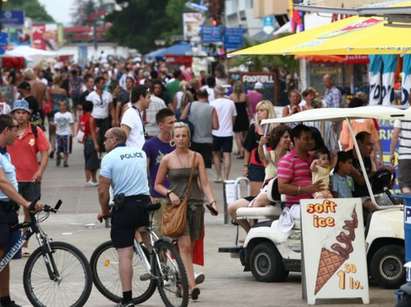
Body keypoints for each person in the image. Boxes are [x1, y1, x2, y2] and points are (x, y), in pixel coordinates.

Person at [154, 122, 218, 300]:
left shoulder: (197, 157)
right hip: (177, 207)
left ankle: (180, 280)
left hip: (196, 206)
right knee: (186, 246)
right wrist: (169, 193)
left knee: (190, 244)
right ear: (173, 138)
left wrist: (212, 201)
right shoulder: (167, 159)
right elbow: (157, 184)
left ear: (189, 138)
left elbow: (204, 183)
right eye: (178, 135)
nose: (181, 139)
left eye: (184, 135)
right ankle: (192, 285)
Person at [97, 127, 151, 307]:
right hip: (144, 202)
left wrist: (104, 211)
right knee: (144, 231)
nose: (104, 141)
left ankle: (127, 299)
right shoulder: (139, 153)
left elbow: (103, 190)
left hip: (125, 207)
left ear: (114, 139)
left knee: (125, 254)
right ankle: (157, 261)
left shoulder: (109, 158)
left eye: (105, 138)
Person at [0, 114, 42, 307]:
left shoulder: (5, 153)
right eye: (15, 128)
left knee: (6, 256)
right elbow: (3, 183)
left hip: (8, 210)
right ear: (6, 130)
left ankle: (5, 299)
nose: (18, 132)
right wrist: (27, 203)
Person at [7, 100, 49, 257]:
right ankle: (11, 244)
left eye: (24, 112)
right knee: (10, 213)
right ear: (13, 114)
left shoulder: (35, 131)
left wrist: (40, 171)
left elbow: (45, 151)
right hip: (11, 180)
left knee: (29, 213)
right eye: (18, 112)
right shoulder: (7, 131)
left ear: (28, 115)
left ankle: (24, 243)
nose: (20, 115)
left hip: (31, 179)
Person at [277, 124, 325, 209]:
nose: (310, 141)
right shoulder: (287, 160)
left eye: (311, 138)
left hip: (317, 204)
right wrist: (306, 189)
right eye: (306, 139)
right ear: (295, 140)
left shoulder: (313, 158)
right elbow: (282, 188)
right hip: (296, 206)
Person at [142, 108, 176, 227]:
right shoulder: (150, 145)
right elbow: (143, 171)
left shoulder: (178, 144)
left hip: (177, 195)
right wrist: (148, 193)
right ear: (161, 125)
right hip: (158, 196)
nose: (174, 125)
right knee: (160, 234)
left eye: (175, 122)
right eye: (170, 123)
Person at [243, 100, 276, 196]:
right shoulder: (253, 127)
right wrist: (245, 166)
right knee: (255, 195)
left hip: (272, 164)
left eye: (262, 110)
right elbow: (247, 148)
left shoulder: (276, 128)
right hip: (256, 164)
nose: (259, 113)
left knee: (270, 194)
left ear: (269, 111)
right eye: (257, 111)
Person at [180, 89, 219, 169]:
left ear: (197, 96)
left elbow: (182, 118)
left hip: (193, 140)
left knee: (193, 165)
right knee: (204, 166)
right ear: (207, 96)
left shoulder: (190, 105)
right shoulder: (211, 108)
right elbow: (216, 126)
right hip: (207, 141)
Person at [210, 85, 237, 182]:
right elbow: (234, 117)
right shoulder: (230, 103)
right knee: (227, 155)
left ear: (216, 93)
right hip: (228, 132)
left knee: (215, 154)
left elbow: (210, 119)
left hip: (215, 132)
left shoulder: (212, 103)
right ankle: (226, 177)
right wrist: (230, 127)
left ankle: (218, 176)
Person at [86, 76, 114, 154]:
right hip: (95, 118)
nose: (103, 85)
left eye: (104, 83)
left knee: (106, 136)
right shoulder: (91, 96)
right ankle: (96, 150)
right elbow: (88, 109)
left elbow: (111, 108)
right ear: (97, 84)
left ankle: (105, 152)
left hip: (105, 118)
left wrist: (114, 119)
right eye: (101, 83)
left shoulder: (108, 95)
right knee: (96, 136)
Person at [120, 85, 150, 149]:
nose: (150, 100)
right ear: (141, 97)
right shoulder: (130, 114)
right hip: (133, 157)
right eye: (148, 97)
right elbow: (122, 140)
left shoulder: (137, 113)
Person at [78, 100, 99, 186]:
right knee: (93, 160)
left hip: (86, 140)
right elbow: (93, 132)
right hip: (91, 140)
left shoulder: (82, 117)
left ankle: (88, 179)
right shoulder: (91, 118)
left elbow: (82, 129)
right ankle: (93, 179)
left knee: (87, 159)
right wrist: (96, 143)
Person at [229, 81, 249, 159]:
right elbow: (248, 106)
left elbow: (230, 109)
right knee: (244, 135)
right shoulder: (245, 96)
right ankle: (244, 150)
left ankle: (241, 151)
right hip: (244, 116)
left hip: (236, 117)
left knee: (237, 135)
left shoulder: (231, 96)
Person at [391, 118, 411, 193]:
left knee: (405, 185)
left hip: (405, 156)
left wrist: (391, 153)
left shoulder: (402, 115)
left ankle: (409, 204)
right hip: (405, 156)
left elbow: (395, 135)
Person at [53, 101, 74, 167]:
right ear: (59, 107)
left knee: (66, 149)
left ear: (66, 106)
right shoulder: (56, 114)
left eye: (64, 105)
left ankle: (65, 161)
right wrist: (55, 131)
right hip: (58, 133)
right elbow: (55, 124)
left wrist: (72, 132)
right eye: (61, 106)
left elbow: (71, 124)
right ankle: (58, 157)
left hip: (67, 133)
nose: (62, 107)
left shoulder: (69, 114)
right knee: (58, 149)